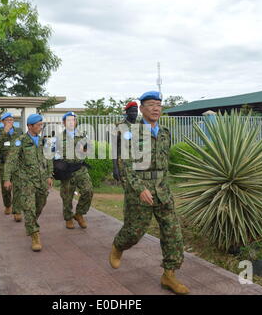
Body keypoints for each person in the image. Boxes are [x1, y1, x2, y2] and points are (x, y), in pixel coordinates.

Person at [109, 91, 189, 295]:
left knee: (173, 233)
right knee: (134, 232)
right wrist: (139, 188)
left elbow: (164, 165)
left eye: (159, 105)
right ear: (142, 109)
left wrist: (165, 185)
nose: (156, 108)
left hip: (163, 190)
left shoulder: (165, 132)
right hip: (140, 191)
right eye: (151, 104)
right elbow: (125, 166)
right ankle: (119, 245)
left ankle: (169, 275)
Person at [2, 114, 53, 251]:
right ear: (30, 126)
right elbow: (11, 161)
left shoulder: (43, 141)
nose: (41, 127)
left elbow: (48, 159)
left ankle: (31, 222)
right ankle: (34, 235)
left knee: (41, 203)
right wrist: (7, 179)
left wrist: (49, 175)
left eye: (42, 125)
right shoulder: (20, 141)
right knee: (29, 208)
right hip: (26, 181)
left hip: (41, 180)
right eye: (38, 125)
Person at [59, 112, 94, 229]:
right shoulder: (59, 138)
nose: (71, 122)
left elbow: (90, 150)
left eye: (73, 120)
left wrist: (84, 150)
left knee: (88, 191)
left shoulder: (83, 136)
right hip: (66, 170)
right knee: (67, 196)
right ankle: (68, 218)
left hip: (80, 168)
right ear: (64, 123)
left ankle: (79, 214)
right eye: (68, 120)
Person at [0, 112, 23, 215]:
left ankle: (17, 210)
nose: (10, 121)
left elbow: (23, 147)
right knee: (6, 188)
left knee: (18, 187)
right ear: (2, 122)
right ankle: (8, 205)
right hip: (5, 165)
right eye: (7, 120)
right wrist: (5, 132)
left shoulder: (19, 131)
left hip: (17, 164)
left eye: (11, 119)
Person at [113, 101, 138, 183]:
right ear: (127, 112)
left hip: (139, 165)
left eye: (136, 111)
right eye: (132, 111)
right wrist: (115, 168)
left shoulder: (140, 126)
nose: (135, 113)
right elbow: (114, 148)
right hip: (124, 166)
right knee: (129, 191)